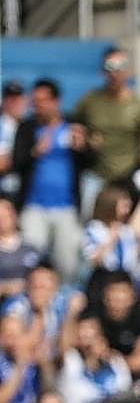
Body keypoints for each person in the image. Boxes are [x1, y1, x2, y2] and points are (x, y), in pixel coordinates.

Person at [11, 78, 89, 281]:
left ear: (56, 101)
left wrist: (82, 148)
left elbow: (91, 162)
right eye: (35, 101)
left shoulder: (72, 125)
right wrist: (35, 152)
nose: (38, 105)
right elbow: (17, 161)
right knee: (30, 259)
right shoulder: (27, 127)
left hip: (66, 206)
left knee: (67, 262)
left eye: (43, 100)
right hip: (34, 205)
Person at [72, 48, 140, 214]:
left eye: (120, 66)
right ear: (102, 70)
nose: (114, 73)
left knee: (131, 226)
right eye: (109, 67)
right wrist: (83, 138)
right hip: (96, 174)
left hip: (127, 174)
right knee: (89, 221)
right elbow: (74, 124)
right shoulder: (89, 101)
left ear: (128, 70)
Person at [58, 312, 135, 403]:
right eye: (83, 329)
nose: (88, 336)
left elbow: (125, 393)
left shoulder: (116, 362)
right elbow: (63, 346)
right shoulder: (71, 360)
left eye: (92, 330)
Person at [0, 311, 40, 403]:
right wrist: (19, 367)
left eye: (17, 335)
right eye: (8, 335)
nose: (13, 341)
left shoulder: (35, 364)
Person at [0, 198, 40, 299]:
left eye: (6, 215)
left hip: (29, 300)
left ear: (15, 215)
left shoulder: (31, 247)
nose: (3, 220)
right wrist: (6, 288)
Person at [0, 81, 26, 198]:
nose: (14, 103)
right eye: (10, 98)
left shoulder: (29, 126)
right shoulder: (3, 124)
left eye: (17, 99)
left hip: (21, 190)